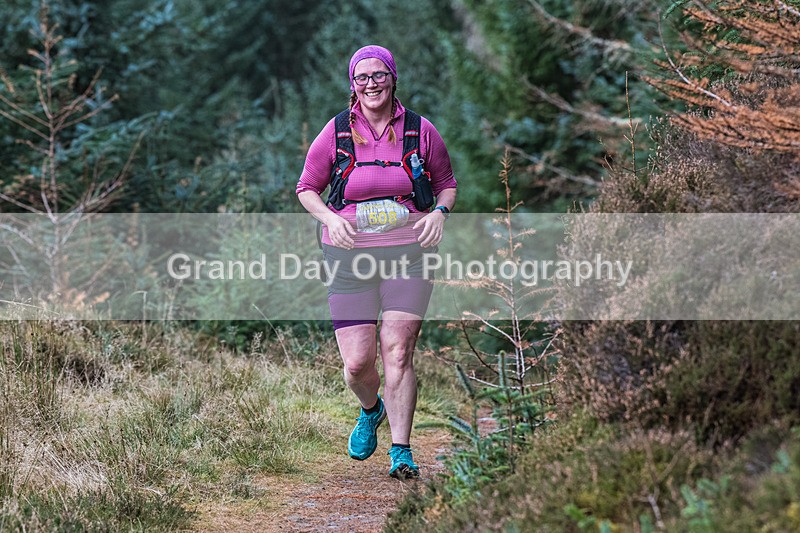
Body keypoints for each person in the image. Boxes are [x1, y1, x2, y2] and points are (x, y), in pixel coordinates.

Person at [296, 45, 457, 479]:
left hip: (410, 252)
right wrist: (331, 218)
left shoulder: (421, 130)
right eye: (362, 76)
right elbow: (306, 188)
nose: (371, 83)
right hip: (348, 255)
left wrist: (440, 214)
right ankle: (371, 409)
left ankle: (401, 451)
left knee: (398, 352)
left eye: (379, 75)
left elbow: (446, 184)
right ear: (353, 84)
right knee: (356, 364)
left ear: (393, 78)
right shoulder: (336, 132)